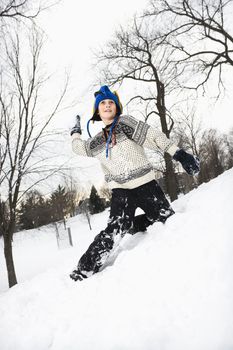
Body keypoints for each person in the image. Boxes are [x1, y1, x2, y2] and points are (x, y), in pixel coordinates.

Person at [70, 85, 200, 281]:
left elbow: (153, 136)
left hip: (145, 185)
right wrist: (75, 132)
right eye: (102, 103)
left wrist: (178, 153)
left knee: (166, 219)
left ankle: (136, 222)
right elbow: (79, 148)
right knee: (114, 230)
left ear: (116, 107)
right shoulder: (97, 142)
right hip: (121, 192)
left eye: (110, 102)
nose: (107, 106)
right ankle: (84, 269)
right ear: (97, 110)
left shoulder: (126, 124)